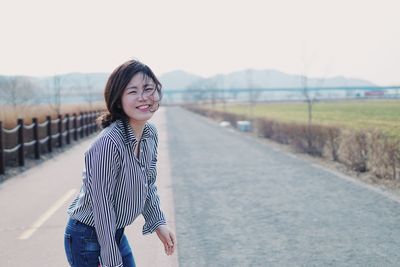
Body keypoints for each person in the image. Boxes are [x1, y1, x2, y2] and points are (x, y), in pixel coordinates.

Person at [64, 59, 176, 267]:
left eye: (148, 89)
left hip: (114, 231)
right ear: (118, 100)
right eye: (132, 91)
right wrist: (111, 260)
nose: (143, 97)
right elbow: (103, 206)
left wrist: (159, 223)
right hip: (88, 236)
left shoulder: (150, 134)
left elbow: (148, 184)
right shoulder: (108, 143)